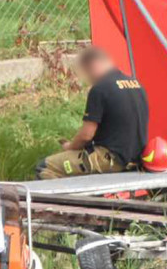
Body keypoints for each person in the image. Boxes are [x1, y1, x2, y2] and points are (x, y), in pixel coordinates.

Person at [36, 47, 149, 180]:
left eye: (87, 72)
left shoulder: (100, 89)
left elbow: (86, 135)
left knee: (45, 166)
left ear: (93, 65)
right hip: (136, 159)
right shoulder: (136, 84)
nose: (89, 78)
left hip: (110, 160)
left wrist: (70, 147)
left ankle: (66, 201)